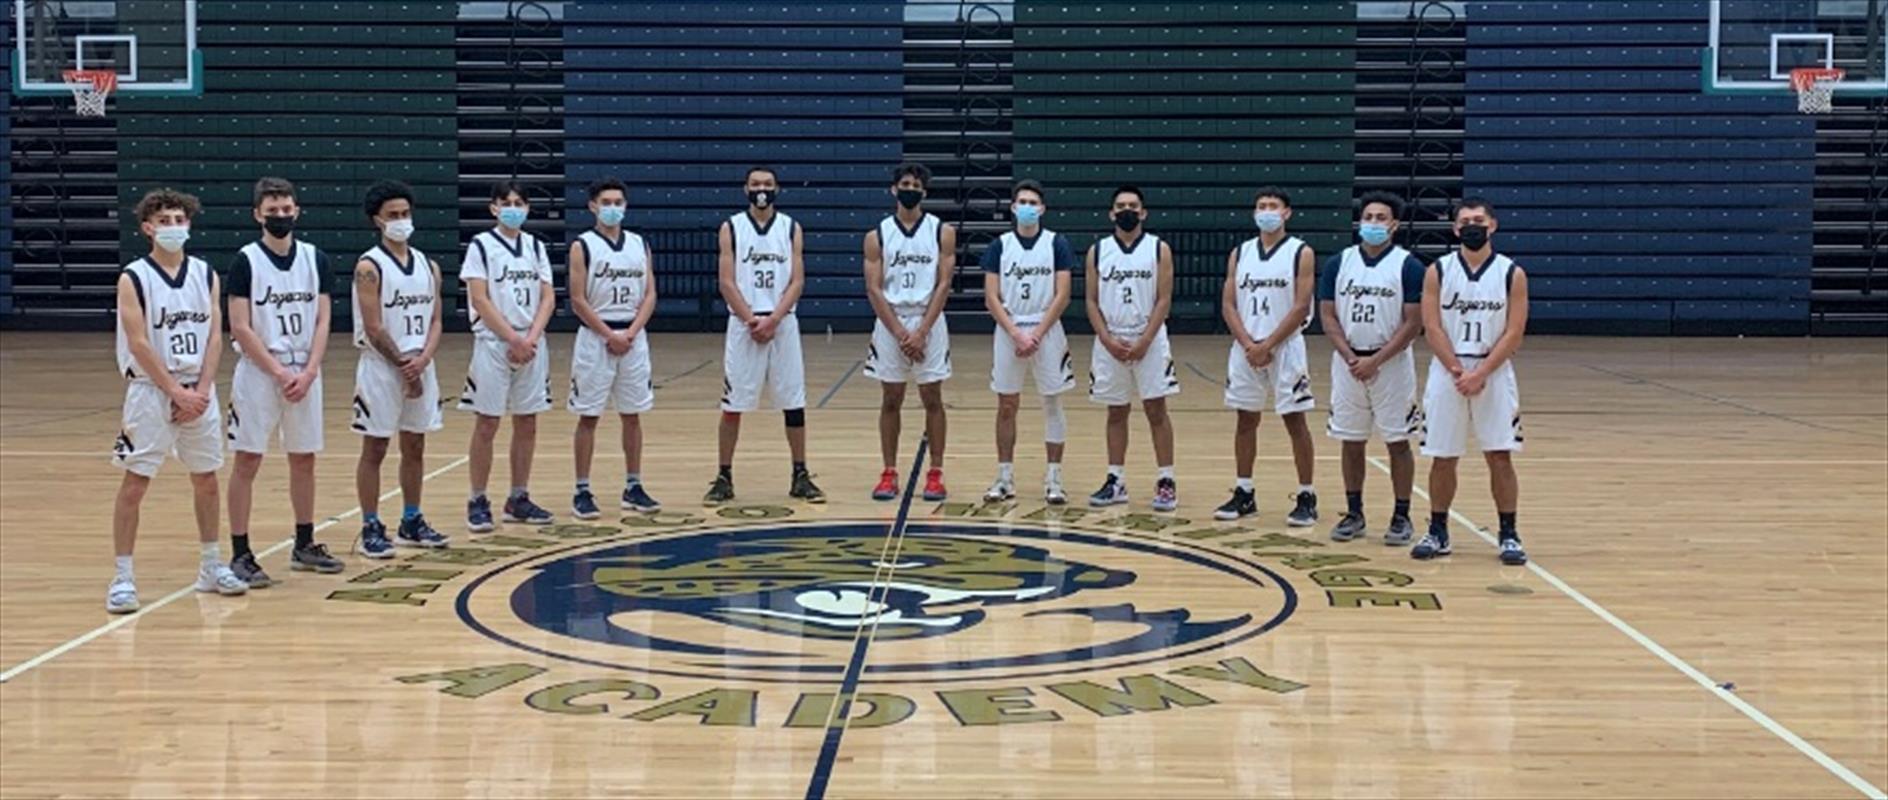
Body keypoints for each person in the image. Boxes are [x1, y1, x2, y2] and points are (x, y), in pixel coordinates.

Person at [108, 188, 248, 613]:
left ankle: (210, 565)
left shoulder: (206, 273)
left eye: (179, 220)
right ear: (147, 228)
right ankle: (123, 577)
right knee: (135, 483)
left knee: (206, 479)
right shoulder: (133, 277)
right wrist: (174, 391)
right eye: (164, 221)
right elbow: (139, 342)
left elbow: (214, 336)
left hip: (198, 391)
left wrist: (201, 391)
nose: (173, 227)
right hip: (152, 391)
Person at [223, 177, 345, 587]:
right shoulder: (245, 261)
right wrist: (278, 371)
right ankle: (240, 551)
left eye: (286, 209)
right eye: (272, 210)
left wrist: (309, 369)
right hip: (261, 372)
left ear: (297, 211)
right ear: (258, 214)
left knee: (304, 458)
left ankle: (304, 543)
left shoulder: (316, 258)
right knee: (247, 459)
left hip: (305, 371)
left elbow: (324, 319)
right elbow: (239, 326)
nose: (280, 216)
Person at [1414, 197, 1530, 565]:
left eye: (1478, 220)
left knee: (1499, 454)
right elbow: (1431, 327)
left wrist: (1480, 373)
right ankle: (1437, 530)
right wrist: (1457, 370)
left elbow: (1514, 332)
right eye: (1465, 221)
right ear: (1455, 229)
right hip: (1448, 371)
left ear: (1493, 225)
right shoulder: (1439, 270)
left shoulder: (1512, 272)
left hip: (1492, 371)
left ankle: (1508, 533)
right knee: (1442, 456)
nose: (1472, 226)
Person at [704, 166, 825, 506]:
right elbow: (726, 281)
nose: (762, 189)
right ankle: (724, 476)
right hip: (743, 325)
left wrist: (773, 318)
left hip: (782, 323)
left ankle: (800, 474)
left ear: (777, 189)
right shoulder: (731, 227)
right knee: (733, 404)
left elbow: (797, 280)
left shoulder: (790, 228)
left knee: (793, 402)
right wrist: (752, 319)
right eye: (756, 184)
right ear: (746, 188)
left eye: (767, 184)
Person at [350, 180, 449, 558]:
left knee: (416, 444)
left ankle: (412, 518)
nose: (401, 220)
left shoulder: (429, 265)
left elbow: (437, 319)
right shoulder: (368, 267)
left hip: (421, 362)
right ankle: (371, 523)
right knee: (375, 446)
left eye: (405, 213)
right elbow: (374, 326)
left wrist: (422, 361)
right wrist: (405, 366)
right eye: (393, 215)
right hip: (382, 366)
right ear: (377, 219)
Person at [1320, 191, 1426, 545]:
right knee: (1351, 440)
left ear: (1394, 225)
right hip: (1348, 362)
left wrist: (1375, 360)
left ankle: (1401, 515)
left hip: (1391, 364)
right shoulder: (1339, 262)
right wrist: (1350, 355)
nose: (1374, 223)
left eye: (1381, 218)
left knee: (1397, 440)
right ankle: (1354, 513)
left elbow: (1413, 322)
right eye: (1369, 217)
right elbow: (1327, 314)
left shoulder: (1409, 265)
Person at [1216, 187, 1319, 524]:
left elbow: (1301, 305)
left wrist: (1268, 344)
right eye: (1261, 206)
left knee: (1295, 421)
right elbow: (1229, 303)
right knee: (1245, 419)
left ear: (1287, 212)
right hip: (1246, 346)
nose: (1266, 211)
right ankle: (1244, 491)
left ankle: (1306, 494)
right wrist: (1248, 344)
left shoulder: (1300, 252)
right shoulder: (1241, 252)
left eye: (1273, 206)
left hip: (1285, 347)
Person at [459, 181, 557, 532]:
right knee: (487, 422)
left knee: (527, 421)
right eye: (506, 202)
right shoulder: (481, 246)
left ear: (528, 208)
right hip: (494, 343)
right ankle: (477, 498)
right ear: (493, 208)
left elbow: (548, 296)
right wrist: (513, 338)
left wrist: (530, 337)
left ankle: (518, 497)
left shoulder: (535, 247)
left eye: (519, 202)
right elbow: (480, 299)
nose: (513, 208)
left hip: (531, 344)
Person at [566, 177, 662, 517]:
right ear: (592, 206)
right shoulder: (582, 245)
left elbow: (650, 293)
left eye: (618, 201)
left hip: (633, 337)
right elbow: (577, 299)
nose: (612, 207)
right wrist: (609, 334)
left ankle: (633, 486)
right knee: (588, 416)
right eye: (605, 202)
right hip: (597, 337)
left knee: (632, 415)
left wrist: (631, 332)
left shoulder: (639, 244)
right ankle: (582, 490)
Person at [863, 163, 956, 501]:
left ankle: (936, 472)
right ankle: (889, 472)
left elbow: (944, 284)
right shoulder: (877, 235)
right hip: (892, 321)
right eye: (904, 183)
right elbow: (873, 289)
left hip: (928, 319)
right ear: (893, 189)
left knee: (933, 399)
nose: (910, 189)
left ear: (924, 192)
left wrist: (922, 331)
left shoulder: (941, 232)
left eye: (916, 185)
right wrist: (902, 333)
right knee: (891, 399)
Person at [981, 180, 1077, 505]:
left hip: (1046, 330)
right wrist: (1016, 333)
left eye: (1033, 201)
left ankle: (1054, 478)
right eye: (1021, 201)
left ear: (1042, 209)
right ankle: (1004, 476)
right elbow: (991, 297)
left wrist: (1035, 333)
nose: (1027, 206)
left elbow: (1063, 294)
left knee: (1052, 401)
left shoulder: (1056, 244)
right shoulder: (1000, 245)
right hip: (1010, 330)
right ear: (1012, 207)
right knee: (1006, 405)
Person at [1085, 186, 1180, 511]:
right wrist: (1108, 340)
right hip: (1111, 339)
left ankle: (1166, 479)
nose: (1127, 210)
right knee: (1116, 411)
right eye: (1121, 206)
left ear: (1143, 212)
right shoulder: (1098, 251)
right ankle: (1115, 480)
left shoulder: (1158, 249)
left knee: (1156, 410)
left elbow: (1164, 299)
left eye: (1133, 205)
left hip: (1148, 339)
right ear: (1112, 213)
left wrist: (1144, 341)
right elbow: (1091, 301)